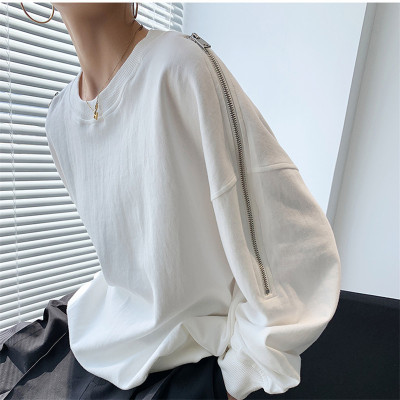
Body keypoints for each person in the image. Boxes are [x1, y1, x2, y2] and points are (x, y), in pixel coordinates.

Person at [1, 2, 341, 400]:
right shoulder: (59, 118)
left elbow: (297, 246)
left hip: (188, 358)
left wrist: (237, 377)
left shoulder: (182, 66)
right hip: (102, 331)